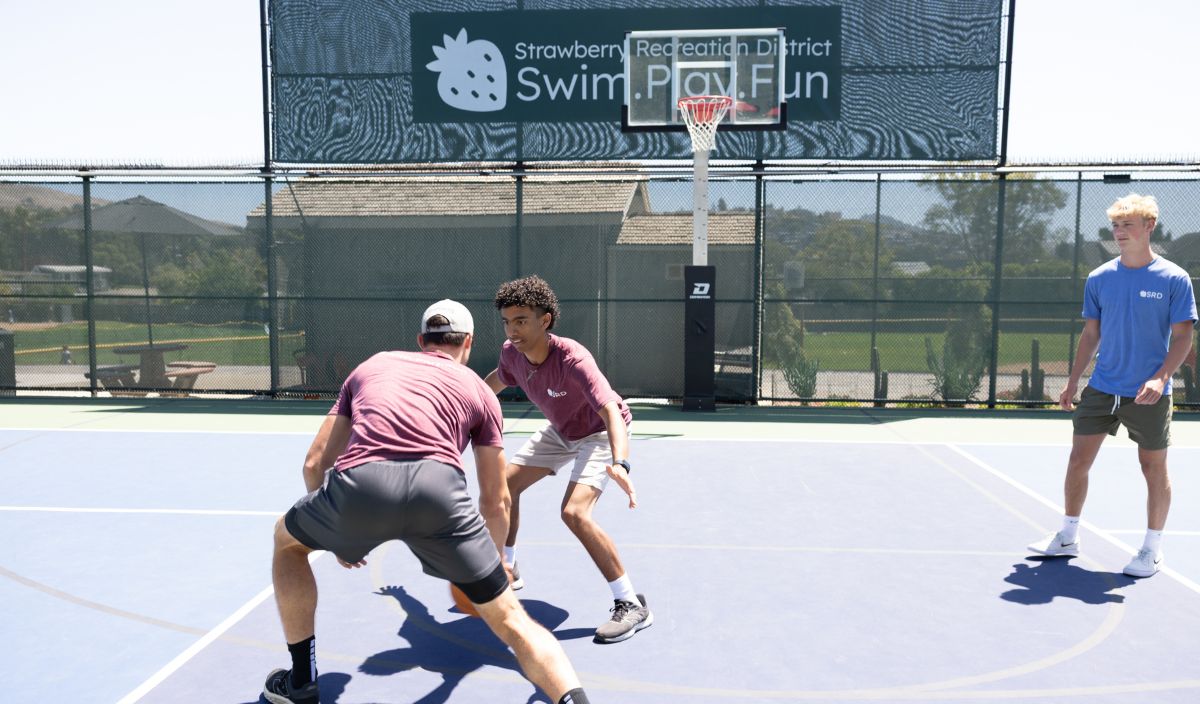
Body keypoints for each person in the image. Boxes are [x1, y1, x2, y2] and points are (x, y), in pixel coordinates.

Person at [264, 299, 593, 704]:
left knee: (287, 543)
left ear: (421, 341)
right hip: (440, 494)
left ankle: (301, 682)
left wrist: (334, 534)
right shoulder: (480, 391)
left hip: (362, 487)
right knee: (513, 620)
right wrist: (497, 561)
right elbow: (496, 499)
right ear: (468, 343)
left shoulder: (373, 365)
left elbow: (316, 462)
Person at [1029, 194, 1196, 578]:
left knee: (1152, 467)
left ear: (1149, 226)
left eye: (1128, 225)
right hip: (1103, 388)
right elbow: (1091, 335)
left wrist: (1161, 377)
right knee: (1078, 460)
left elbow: (1184, 337)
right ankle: (1068, 536)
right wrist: (1072, 382)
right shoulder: (1100, 278)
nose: (1120, 233)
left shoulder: (1174, 279)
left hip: (1149, 393)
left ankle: (1151, 550)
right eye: (1116, 226)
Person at [483, 275, 649, 644]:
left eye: (522, 320)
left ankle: (631, 603)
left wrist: (621, 463)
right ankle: (508, 568)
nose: (513, 330)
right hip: (563, 428)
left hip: (602, 432)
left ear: (545, 320)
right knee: (505, 486)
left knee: (574, 513)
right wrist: (461, 400)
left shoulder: (573, 359)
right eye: (507, 322)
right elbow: (495, 381)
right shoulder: (512, 354)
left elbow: (609, 409)